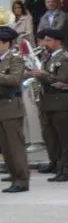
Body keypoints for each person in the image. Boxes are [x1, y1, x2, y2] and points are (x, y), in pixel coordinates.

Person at [31, 28, 68, 182]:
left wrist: (42, 75)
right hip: (48, 102)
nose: (46, 43)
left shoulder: (65, 58)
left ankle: (67, 169)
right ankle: (58, 166)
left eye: (49, 40)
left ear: (57, 42)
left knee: (64, 139)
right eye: (45, 40)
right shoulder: (48, 57)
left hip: (61, 102)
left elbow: (63, 81)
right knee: (53, 138)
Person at [0, 27, 29, 193]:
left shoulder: (15, 59)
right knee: (5, 147)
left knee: (14, 146)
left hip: (11, 106)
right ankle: (14, 176)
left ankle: (22, 179)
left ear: (6, 43)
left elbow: (14, 79)